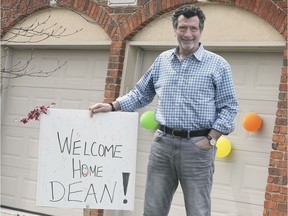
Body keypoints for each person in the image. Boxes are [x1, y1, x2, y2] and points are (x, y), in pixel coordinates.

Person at [89, 4, 239, 216]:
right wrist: (112, 106)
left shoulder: (218, 65)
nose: (188, 34)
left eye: (193, 29)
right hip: (163, 145)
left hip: (197, 148)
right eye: (183, 28)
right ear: (175, 29)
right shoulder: (162, 61)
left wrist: (210, 140)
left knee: (198, 211)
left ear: (201, 30)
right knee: (153, 210)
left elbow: (229, 107)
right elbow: (141, 93)